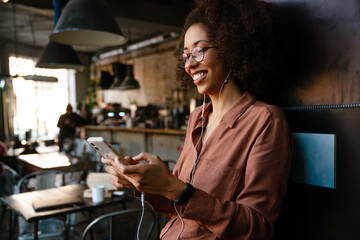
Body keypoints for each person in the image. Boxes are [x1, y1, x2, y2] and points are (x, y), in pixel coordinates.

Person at [102, 0, 293, 239]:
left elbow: (257, 227)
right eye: (185, 56)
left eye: (199, 50)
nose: (190, 64)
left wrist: (174, 189)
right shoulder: (197, 118)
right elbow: (178, 205)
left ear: (231, 48)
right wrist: (142, 182)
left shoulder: (265, 121)